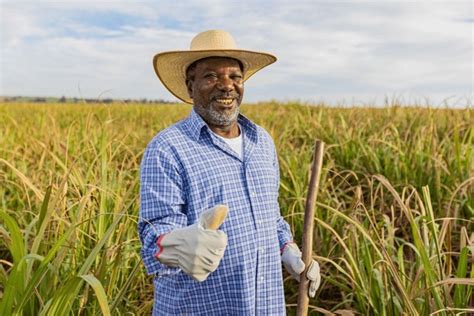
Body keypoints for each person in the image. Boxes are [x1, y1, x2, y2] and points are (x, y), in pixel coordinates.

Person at [139, 29, 321, 315]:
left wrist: (287, 250)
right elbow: (154, 236)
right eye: (211, 76)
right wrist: (176, 244)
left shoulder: (262, 141)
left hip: (266, 305)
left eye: (235, 77)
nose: (226, 86)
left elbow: (270, 216)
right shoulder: (168, 148)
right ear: (190, 86)